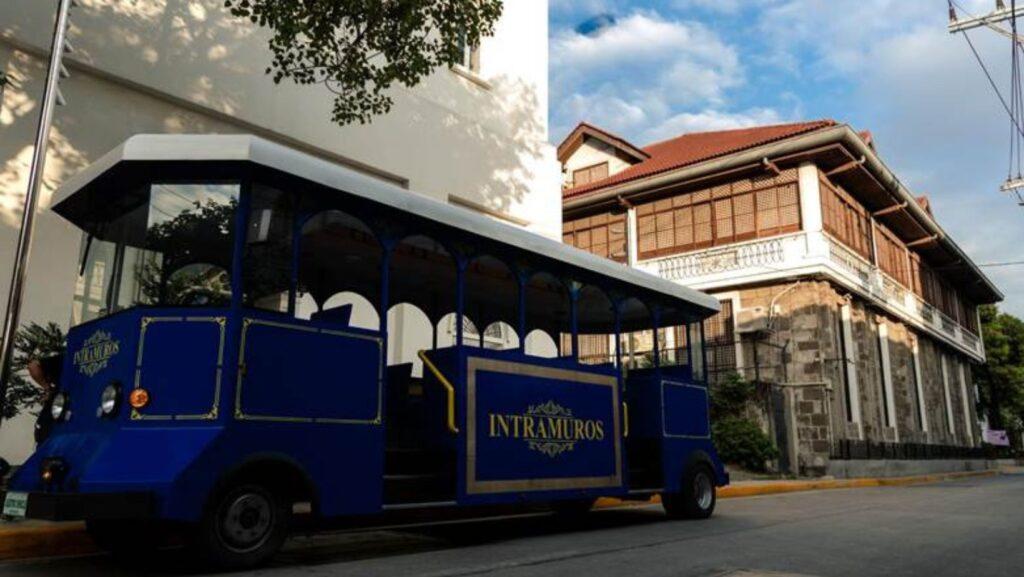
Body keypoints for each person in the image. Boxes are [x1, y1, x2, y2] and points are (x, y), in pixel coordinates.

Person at [27, 356, 60, 445]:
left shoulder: (70, 357)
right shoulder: (68, 358)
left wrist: (47, 388)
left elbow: (33, 366)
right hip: (54, 421)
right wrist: (47, 388)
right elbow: (33, 366)